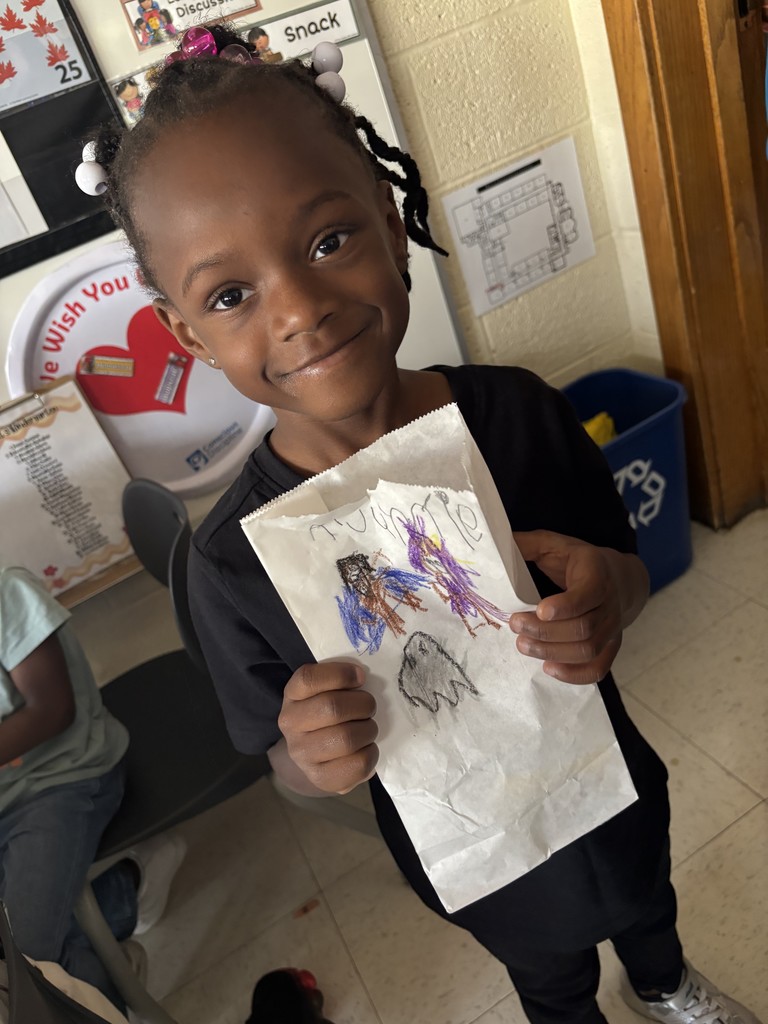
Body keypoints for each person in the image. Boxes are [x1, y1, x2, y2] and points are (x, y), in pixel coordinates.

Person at [76, 23, 762, 1024]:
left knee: (647, 898)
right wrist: (311, 753)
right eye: (230, 294)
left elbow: (628, 571)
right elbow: (277, 747)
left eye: (329, 240)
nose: (300, 308)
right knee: (550, 977)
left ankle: (663, 981)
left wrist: (610, 594)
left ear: (392, 225)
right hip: (473, 840)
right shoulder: (231, 562)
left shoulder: (520, 414)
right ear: (188, 334)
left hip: (606, 775)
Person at [0, 565, 133, 1007]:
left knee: (23, 964)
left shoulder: (7, 590)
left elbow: (52, 711)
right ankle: (121, 896)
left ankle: (111, 998)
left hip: (61, 777)